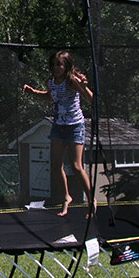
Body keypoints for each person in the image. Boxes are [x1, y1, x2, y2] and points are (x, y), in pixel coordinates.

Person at [22, 50, 94, 217]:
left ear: (66, 66)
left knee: (76, 166)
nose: (55, 67)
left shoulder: (72, 81)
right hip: (58, 126)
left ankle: (91, 201)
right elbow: (50, 97)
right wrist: (34, 92)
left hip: (74, 126)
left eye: (59, 64)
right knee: (55, 165)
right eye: (53, 64)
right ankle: (66, 197)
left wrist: (83, 86)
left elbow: (91, 99)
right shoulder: (52, 81)